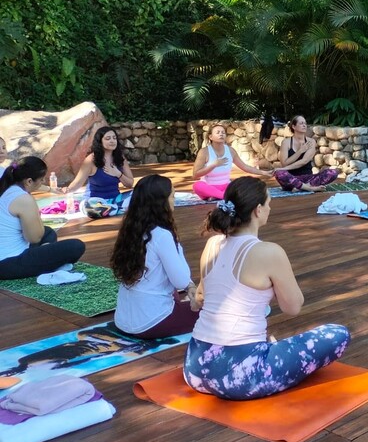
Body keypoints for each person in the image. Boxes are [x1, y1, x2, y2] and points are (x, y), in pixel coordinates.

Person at [184, 177, 350, 400]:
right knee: (337, 334)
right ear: (258, 210)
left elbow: (201, 296)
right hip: (241, 378)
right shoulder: (269, 252)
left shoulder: (212, 244)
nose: (270, 209)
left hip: (194, 368)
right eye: (269, 204)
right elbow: (293, 307)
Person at [111, 175, 199, 339]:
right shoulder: (162, 235)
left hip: (123, 321)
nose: (174, 201)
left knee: (172, 291)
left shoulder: (130, 230)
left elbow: (181, 282)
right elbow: (180, 280)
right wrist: (177, 244)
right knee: (216, 311)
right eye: (172, 196)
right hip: (151, 323)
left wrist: (190, 287)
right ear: (161, 203)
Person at [0, 157, 86, 280]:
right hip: (7, 263)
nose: (43, 182)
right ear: (29, 181)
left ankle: (45, 257)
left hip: (9, 253)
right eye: (41, 180)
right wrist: (36, 213)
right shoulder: (23, 198)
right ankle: (46, 262)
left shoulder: (6, 188)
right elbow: (34, 238)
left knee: (49, 232)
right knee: (76, 246)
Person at [61, 126, 134, 218]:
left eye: (114, 138)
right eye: (108, 138)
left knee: (139, 193)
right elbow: (78, 182)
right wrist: (68, 190)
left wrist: (117, 173)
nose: (112, 141)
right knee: (89, 207)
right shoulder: (91, 160)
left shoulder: (120, 158)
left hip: (115, 199)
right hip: (96, 202)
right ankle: (117, 209)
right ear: (100, 141)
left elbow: (130, 184)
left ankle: (112, 209)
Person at [192, 123, 273, 200]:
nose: (221, 134)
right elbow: (195, 174)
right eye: (218, 132)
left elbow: (244, 167)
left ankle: (216, 195)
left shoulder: (230, 151)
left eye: (223, 133)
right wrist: (213, 165)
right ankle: (223, 195)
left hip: (226, 186)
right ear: (210, 137)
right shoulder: (204, 152)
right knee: (197, 186)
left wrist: (263, 173)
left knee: (241, 184)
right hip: (208, 186)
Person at [274, 115, 338, 192]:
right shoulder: (286, 142)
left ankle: (302, 187)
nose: (304, 125)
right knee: (279, 173)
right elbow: (284, 163)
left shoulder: (311, 142)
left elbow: (303, 161)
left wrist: (283, 168)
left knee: (333, 172)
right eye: (301, 123)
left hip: (308, 178)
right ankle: (309, 188)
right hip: (291, 179)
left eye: (305, 123)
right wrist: (300, 151)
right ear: (294, 126)